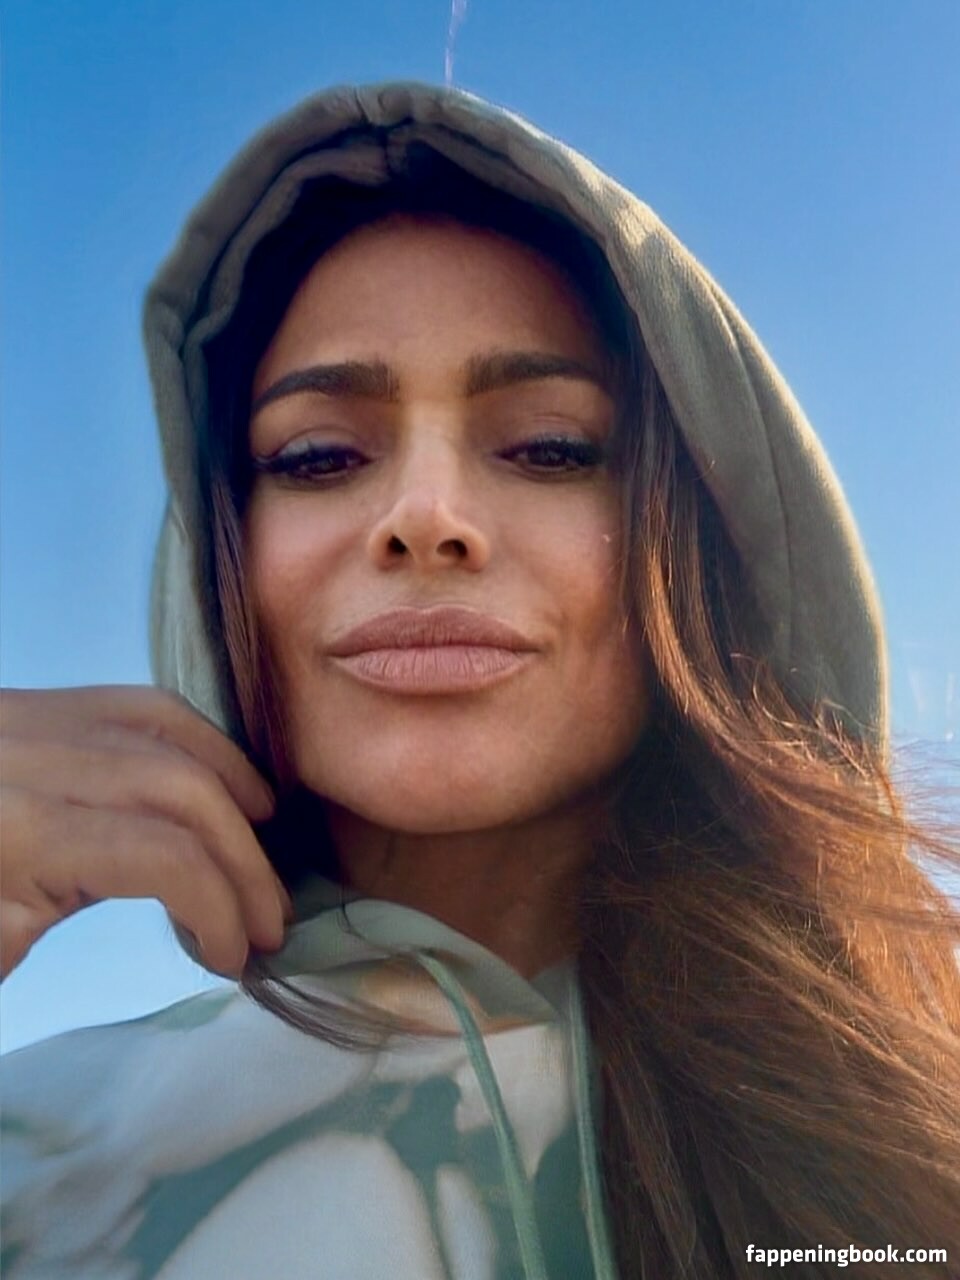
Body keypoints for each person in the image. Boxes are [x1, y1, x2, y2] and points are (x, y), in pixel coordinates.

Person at [1, 81, 958, 1280]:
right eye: (319, 456)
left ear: (701, 546)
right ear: (218, 560)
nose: (425, 513)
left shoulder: (921, 1129)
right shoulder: (37, 1164)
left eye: (551, 447)